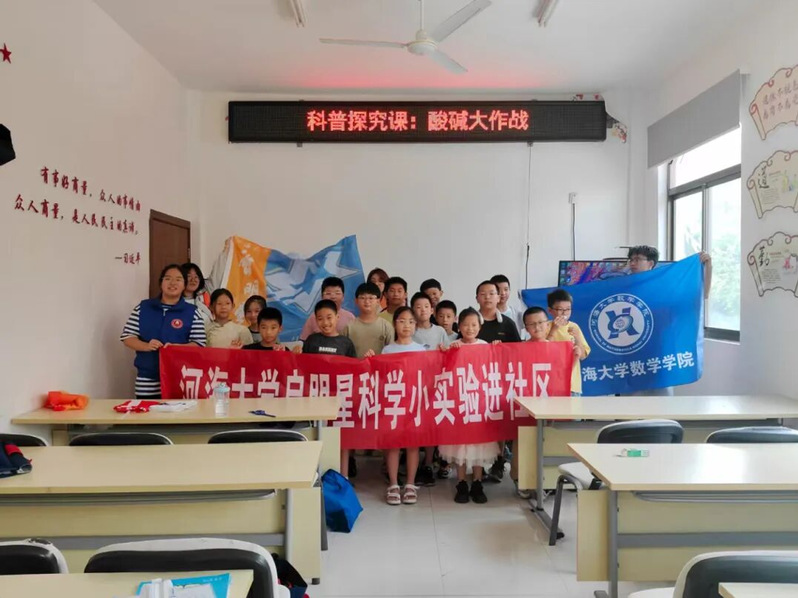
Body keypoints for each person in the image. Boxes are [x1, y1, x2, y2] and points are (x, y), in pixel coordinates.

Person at [626, 245, 712, 397]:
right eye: (631, 260)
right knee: (630, 403)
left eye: (637, 259)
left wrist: (708, 267)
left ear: (651, 263)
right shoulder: (623, 286)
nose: (632, 263)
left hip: (660, 354)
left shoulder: (665, 286)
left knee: (661, 402)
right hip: (632, 355)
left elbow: (700, 295)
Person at [440, 308, 499, 504]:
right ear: (459, 326)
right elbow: (443, 368)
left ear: (480, 327)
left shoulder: (485, 346)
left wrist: (497, 349)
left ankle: (477, 482)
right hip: (459, 402)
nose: (470, 328)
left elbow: (493, 369)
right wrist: (447, 352)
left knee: (478, 444)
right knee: (460, 444)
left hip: (478, 403)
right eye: (466, 325)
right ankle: (461, 482)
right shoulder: (454, 345)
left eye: (474, 325)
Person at [120, 264, 206, 398]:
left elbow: (200, 344)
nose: (173, 283)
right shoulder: (143, 308)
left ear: (184, 285)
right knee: (147, 410)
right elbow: (127, 337)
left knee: (179, 411)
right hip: (147, 379)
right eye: (168, 278)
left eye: (178, 279)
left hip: (180, 378)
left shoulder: (193, 312)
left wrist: (177, 348)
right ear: (161, 283)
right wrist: (146, 346)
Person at [341, 282, 393, 479]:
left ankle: (387, 464)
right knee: (352, 422)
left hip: (380, 383)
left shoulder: (385, 326)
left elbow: (392, 355)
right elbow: (343, 356)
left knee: (383, 424)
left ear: (379, 301)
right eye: (363, 298)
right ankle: (350, 460)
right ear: (356, 301)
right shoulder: (349, 326)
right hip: (355, 383)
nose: (367, 302)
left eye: (371, 298)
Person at [474, 280, 521, 482]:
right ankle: (478, 465)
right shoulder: (470, 320)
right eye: (483, 293)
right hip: (475, 381)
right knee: (478, 424)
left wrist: (502, 350)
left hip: (500, 381)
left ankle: (498, 462)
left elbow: (519, 351)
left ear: (498, 296)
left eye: (492, 293)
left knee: (499, 423)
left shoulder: (507, 323)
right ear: (477, 297)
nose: (488, 297)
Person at [381, 306, 426, 505]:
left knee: (412, 445)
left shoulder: (421, 349)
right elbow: (381, 377)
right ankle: (393, 484)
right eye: (401, 321)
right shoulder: (387, 350)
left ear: (416, 326)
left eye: (411, 322)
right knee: (393, 445)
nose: (406, 325)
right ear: (394, 324)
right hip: (393, 402)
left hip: (414, 403)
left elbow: (427, 376)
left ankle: (410, 484)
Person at [409, 292, 450, 487]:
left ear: (432, 310)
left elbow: (449, 356)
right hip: (413, 384)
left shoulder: (440, 331)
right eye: (418, 307)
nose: (422, 310)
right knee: (415, 425)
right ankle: (413, 464)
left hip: (435, 385)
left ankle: (427, 463)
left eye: (426, 306)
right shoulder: (409, 330)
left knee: (431, 425)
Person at [546, 289, 590, 397]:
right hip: (550, 383)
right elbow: (542, 351)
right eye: (560, 309)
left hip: (572, 384)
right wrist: (554, 329)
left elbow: (583, 356)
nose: (564, 313)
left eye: (568, 309)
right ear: (550, 310)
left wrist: (577, 338)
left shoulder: (574, 327)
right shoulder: (546, 326)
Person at [299, 277, 356, 341]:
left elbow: (354, 341)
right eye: (328, 293)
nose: (333, 297)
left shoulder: (350, 317)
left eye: (337, 293)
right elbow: (304, 341)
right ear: (322, 296)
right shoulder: (314, 317)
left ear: (343, 297)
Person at [490, 274, 527, 339]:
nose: (503, 293)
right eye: (498, 290)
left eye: (506, 289)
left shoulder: (517, 314)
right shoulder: (487, 314)